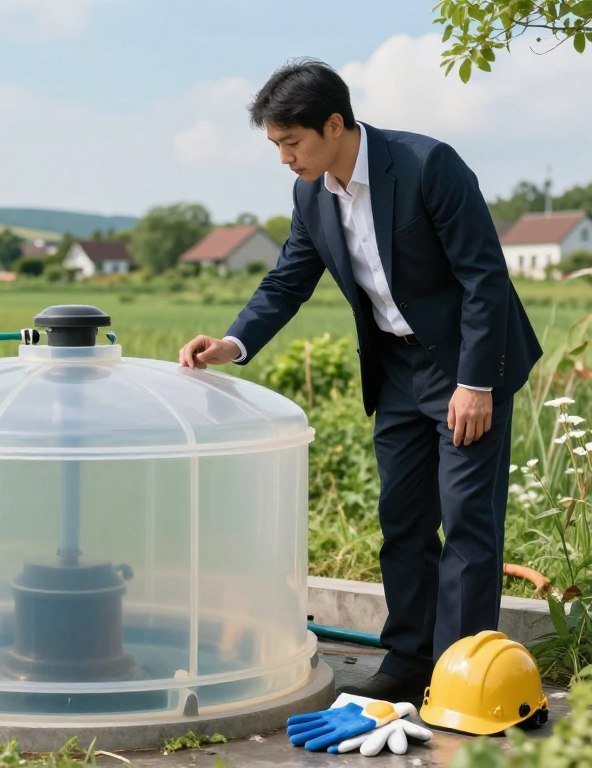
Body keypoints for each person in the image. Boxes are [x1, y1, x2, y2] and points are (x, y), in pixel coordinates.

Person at [179, 59, 542, 705]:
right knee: (401, 520)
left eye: (293, 142)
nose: (285, 158)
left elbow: (484, 278)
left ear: (336, 124)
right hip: (398, 371)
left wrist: (476, 383)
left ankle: (464, 677)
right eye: (276, 145)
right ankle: (408, 661)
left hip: (466, 365)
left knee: (467, 524)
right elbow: (288, 279)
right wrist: (231, 344)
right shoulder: (310, 193)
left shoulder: (429, 165)